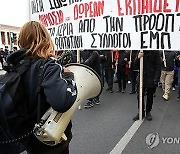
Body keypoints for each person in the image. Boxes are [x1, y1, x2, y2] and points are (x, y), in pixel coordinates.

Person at [1, 21, 77, 154]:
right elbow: (62, 102)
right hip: (52, 140)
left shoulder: (15, 67)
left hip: (30, 140)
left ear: (21, 40)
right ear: (45, 38)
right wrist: (69, 77)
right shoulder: (49, 66)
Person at [133, 50, 161, 121]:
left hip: (151, 77)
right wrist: (138, 57)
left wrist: (156, 79)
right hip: (142, 77)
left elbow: (158, 66)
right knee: (139, 95)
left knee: (150, 96)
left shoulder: (155, 52)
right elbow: (135, 65)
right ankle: (141, 112)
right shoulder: (140, 51)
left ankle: (148, 111)